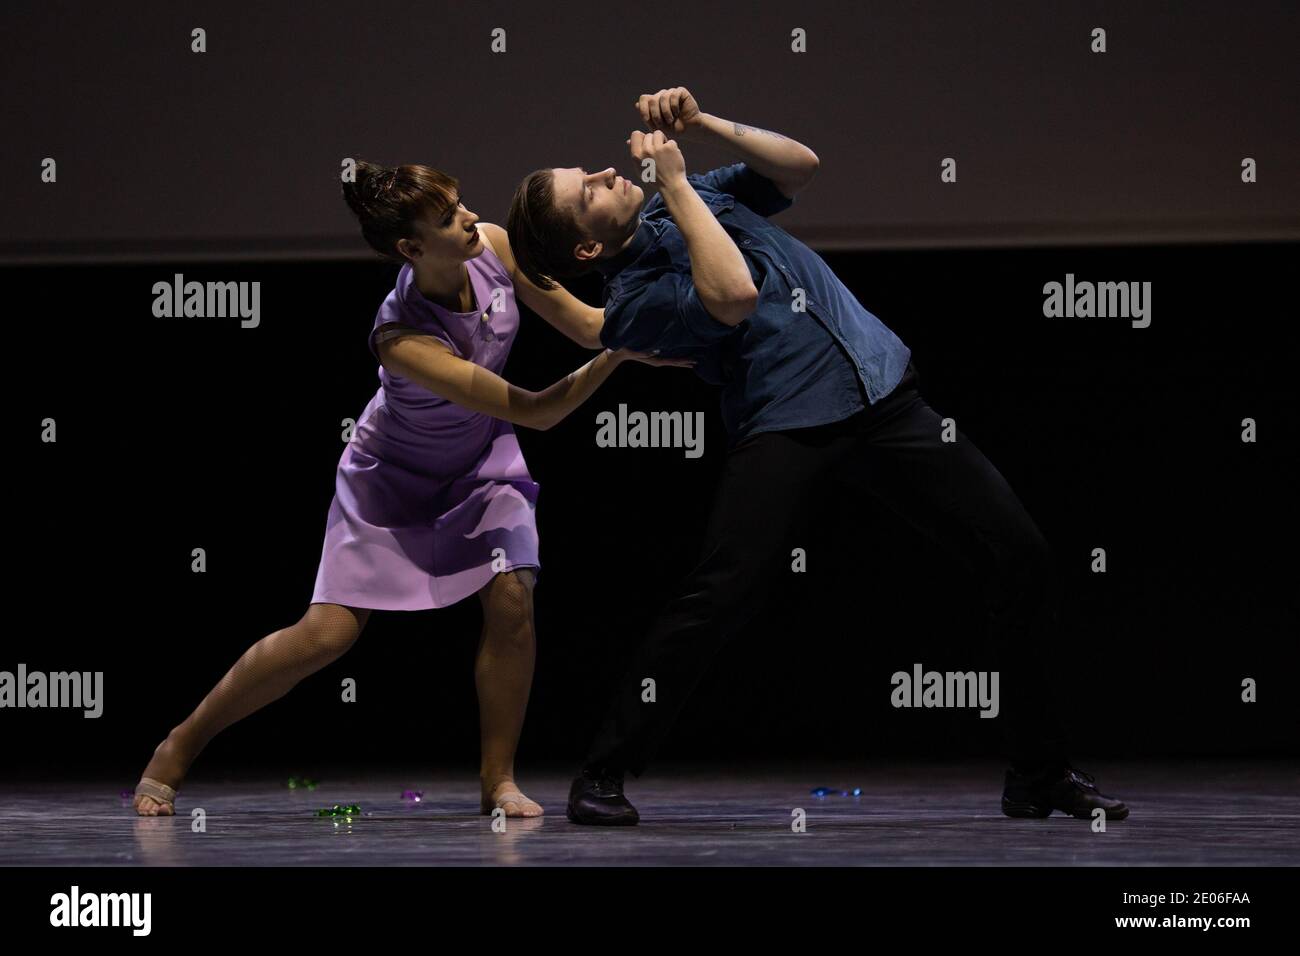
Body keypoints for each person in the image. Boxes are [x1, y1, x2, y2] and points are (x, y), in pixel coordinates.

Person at [506, 87, 1129, 825]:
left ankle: (1038, 771)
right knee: (721, 593)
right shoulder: (633, 301)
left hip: (880, 391)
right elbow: (732, 293)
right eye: (588, 189)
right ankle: (602, 773)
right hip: (788, 422)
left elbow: (799, 165)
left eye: (593, 171)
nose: (605, 173)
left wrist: (700, 126)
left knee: (1018, 554)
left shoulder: (696, 194)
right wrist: (672, 183)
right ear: (586, 248)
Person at [132, 160, 684, 819]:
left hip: (481, 461)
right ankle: (178, 745)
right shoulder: (401, 340)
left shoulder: (496, 247)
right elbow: (536, 409)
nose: (469, 219)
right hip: (390, 479)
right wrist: (620, 358)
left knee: (513, 596)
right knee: (326, 636)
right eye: (449, 217)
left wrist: (658, 322)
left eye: (460, 203)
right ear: (411, 249)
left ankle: (498, 781)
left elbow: (592, 325)